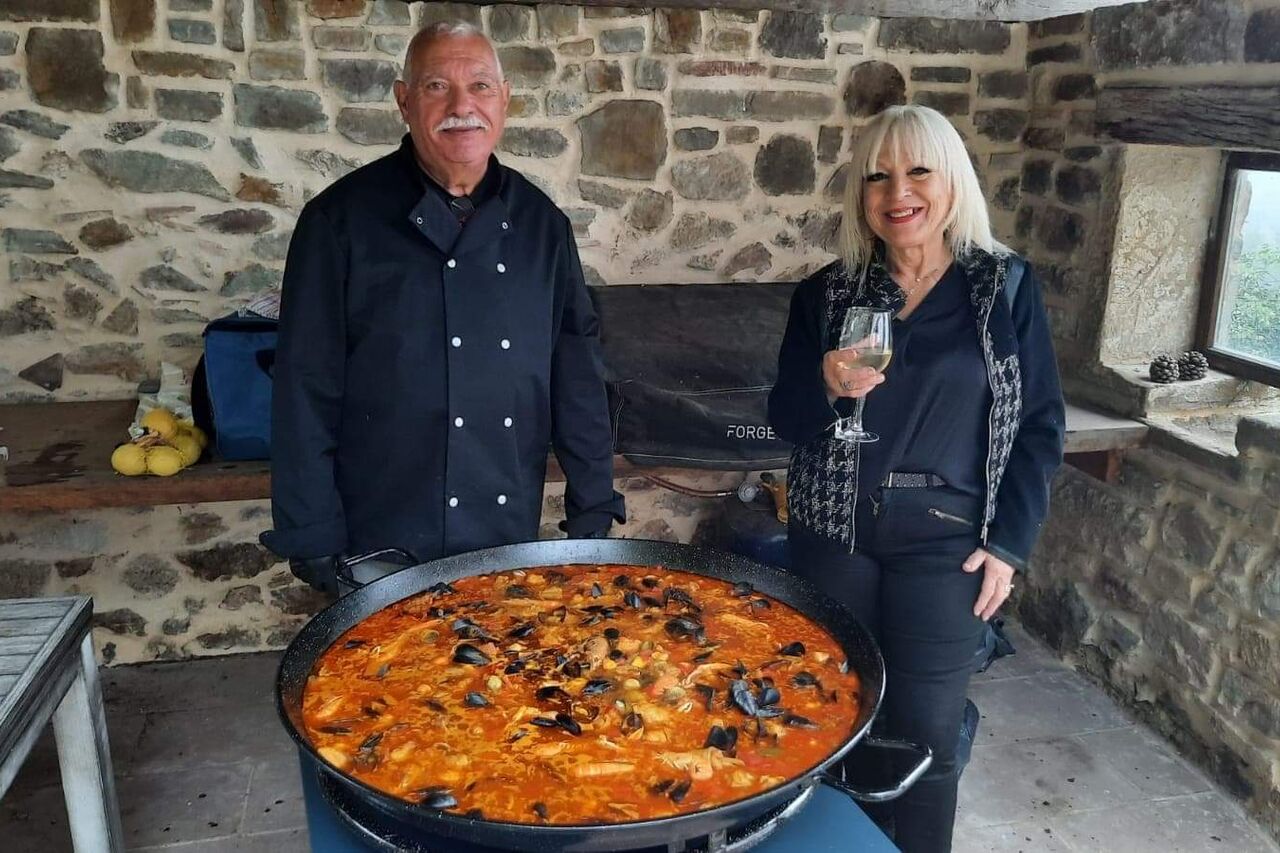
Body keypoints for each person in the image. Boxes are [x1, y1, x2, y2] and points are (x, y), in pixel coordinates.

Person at [768, 105, 1065, 853]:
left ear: (951, 180)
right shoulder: (828, 295)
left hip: (949, 545)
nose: (897, 190)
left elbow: (1040, 425)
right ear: (861, 196)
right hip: (835, 537)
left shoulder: (1003, 291)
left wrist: (1010, 546)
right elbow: (785, 419)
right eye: (878, 176)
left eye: (917, 170)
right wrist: (829, 384)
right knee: (836, 717)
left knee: (927, 738)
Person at [261, 21, 624, 592]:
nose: (463, 106)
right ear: (404, 101)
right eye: (436, 87)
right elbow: (304, 388)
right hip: (378, 540)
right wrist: (310, 532)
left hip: (505, 537)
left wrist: (594, 506)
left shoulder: (542, 227)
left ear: (504, 100)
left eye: (480, 86)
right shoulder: (339, 222)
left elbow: (576, 374)